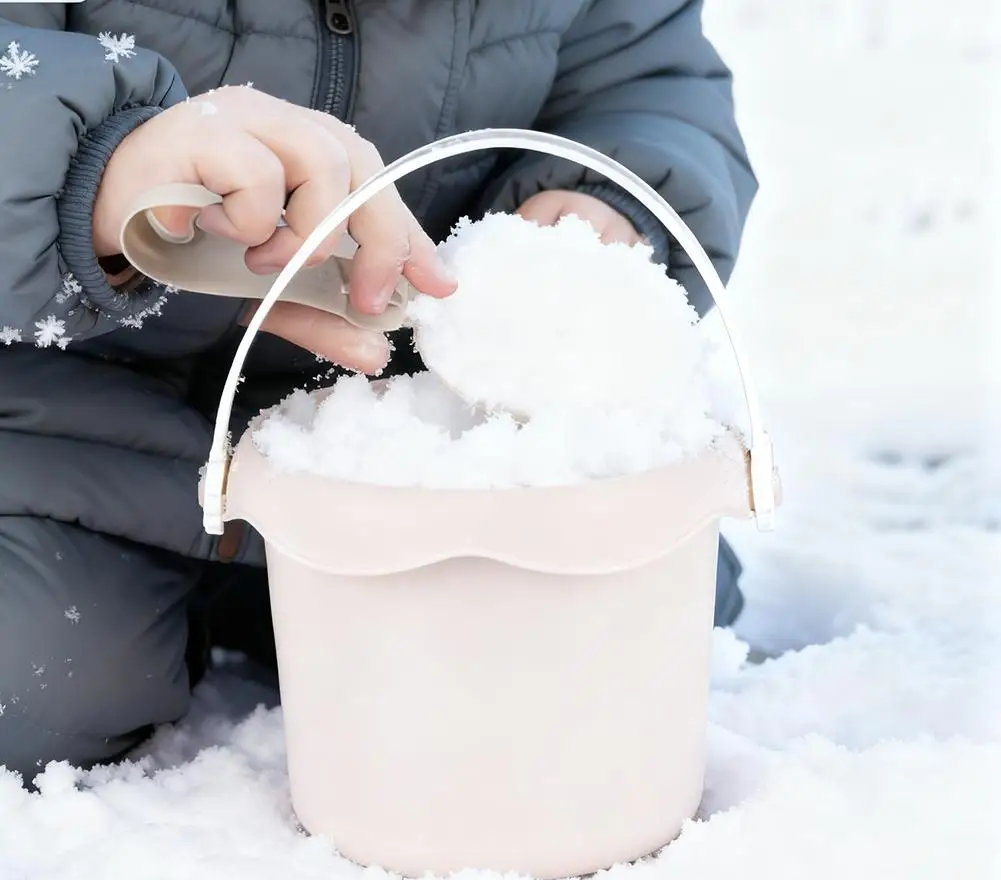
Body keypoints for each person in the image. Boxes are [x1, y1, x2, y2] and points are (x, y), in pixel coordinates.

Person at [0, 1, 756, 781]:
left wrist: (597, 201)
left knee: (637, 623)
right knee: (33, 676)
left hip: (388, 449)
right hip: (64, 428)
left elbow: (644, 78)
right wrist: (80, 171)